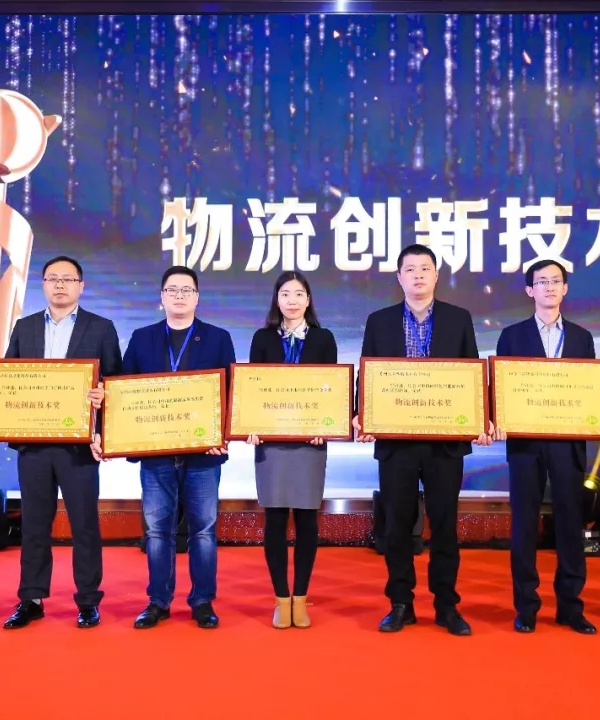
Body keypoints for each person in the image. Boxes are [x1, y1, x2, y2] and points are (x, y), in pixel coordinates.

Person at [353, 244, 492, 637]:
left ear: (436, 275)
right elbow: (368, 374)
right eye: (410, 269)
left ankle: (447, 605)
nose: (418, 275)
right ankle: (401, 603)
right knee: (397, 525)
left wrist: (479, 417)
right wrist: (363, 413)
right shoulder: (379, 321)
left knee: (444, 525)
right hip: (396, 442)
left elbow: (471, 374)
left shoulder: (458, 318)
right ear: (399, 277)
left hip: (444, 443)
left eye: (425, 268)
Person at [0, 256, 122, 630]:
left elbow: (117, 384)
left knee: (84, 525)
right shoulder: (24, 327)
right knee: (35, 524)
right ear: (42, 285)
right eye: (52, 278)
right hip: (34, 445)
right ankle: (31, 598)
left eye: (67, 279)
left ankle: (88, 601)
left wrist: (104, 396)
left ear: (81, 286)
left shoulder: (101, 328)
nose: (60, 284)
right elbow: (6, 380)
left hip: (78, 447)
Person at [102, 266, 236, 630]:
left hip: (203, 455)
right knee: (157, 531)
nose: (179, 295)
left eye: (186, 290)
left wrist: (221, 435)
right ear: (161, 297)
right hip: (156, 452)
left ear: (197, 297)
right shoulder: (142, 338)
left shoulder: (218, 338)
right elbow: (123, 390)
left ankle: (203, 601)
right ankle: (158, 601)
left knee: (203, 531)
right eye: (172, 289)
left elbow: (231, 393)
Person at [493, 259, 600, 635]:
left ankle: (570, 607)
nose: (549, 287)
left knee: (570, 523)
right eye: (541, 281)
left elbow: (591, 388)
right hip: (525, 444)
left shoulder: (581, 337)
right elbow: (501, 386)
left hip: (568, 443)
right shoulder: (512, 335)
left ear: (565, 289)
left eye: (556, 281)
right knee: (524, 524)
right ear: (529, 290)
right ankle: (526, 607)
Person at [246, 271, 337, 629]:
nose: (293, 300)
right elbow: (253, 387)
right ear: (277, 299)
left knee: (306, 520)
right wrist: (250, 423)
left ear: (308, 300)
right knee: (275, 519)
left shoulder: (324, 339)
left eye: (299, 294)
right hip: (271, 443)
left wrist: (325, 426)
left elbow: (332, 388)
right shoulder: (262, 338)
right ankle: (281, 599)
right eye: (285, 294)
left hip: (309, 443)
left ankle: (301, 597)